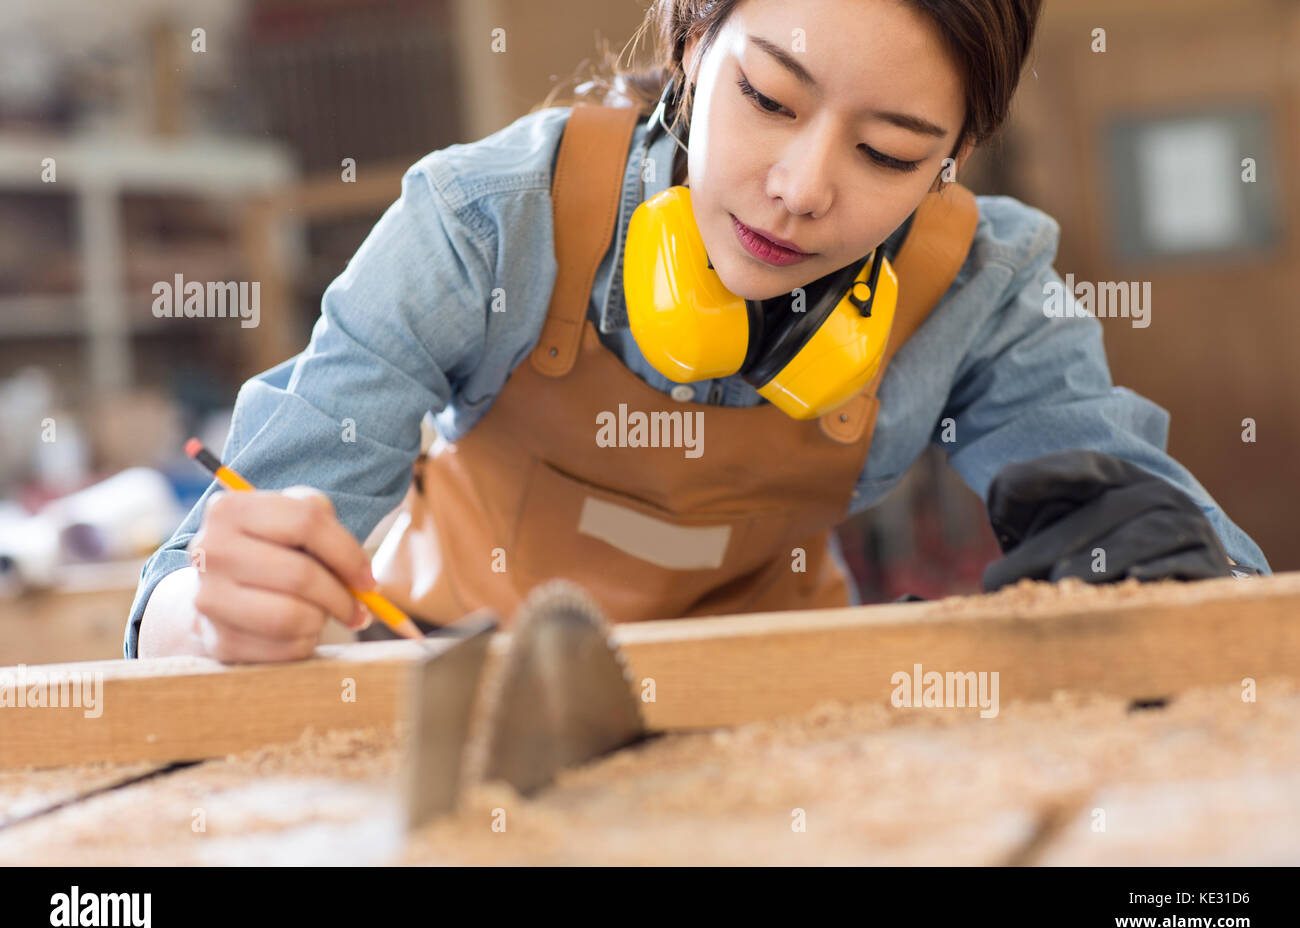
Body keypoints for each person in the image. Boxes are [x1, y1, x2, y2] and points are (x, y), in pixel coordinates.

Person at [129, 0, 1269, 662]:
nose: (799, 189)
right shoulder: (482, 224)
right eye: (768, 98)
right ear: (687, 42)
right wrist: (216, 611)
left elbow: (1170, 535)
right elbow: (176, 596)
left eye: (887, 153)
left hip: (773, 699)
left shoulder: (982, 279)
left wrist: (1183, 572)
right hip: (449, 681)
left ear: (953, 160)